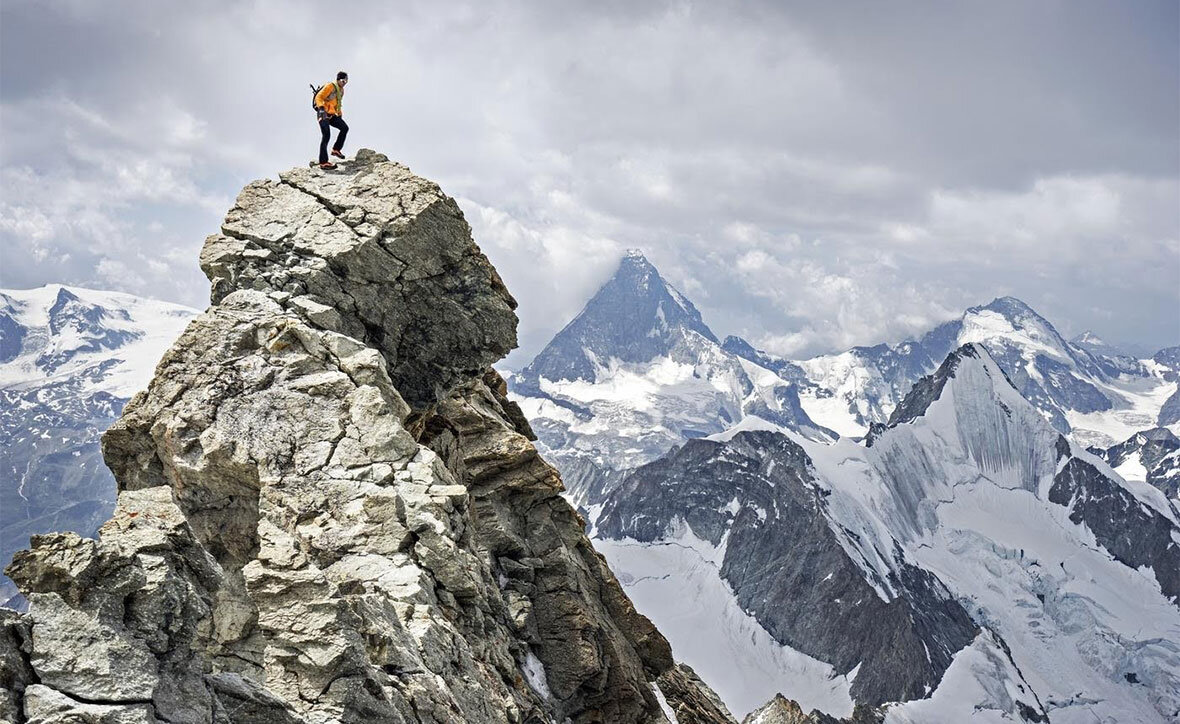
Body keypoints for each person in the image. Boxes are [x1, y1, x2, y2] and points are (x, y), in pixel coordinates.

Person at [314, 71, 349, 169]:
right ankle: (323, 162)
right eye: (343, 80)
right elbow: (319, 97)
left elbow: (338, 104)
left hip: (333, 115)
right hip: (323, 113)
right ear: (338, 79)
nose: (344, 83)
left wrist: (340, 115)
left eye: (346, 81)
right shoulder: (330, 86)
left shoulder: (341, 90)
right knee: (326, 135)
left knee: (344, 128)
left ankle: (336, 149)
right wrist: (321, 108)